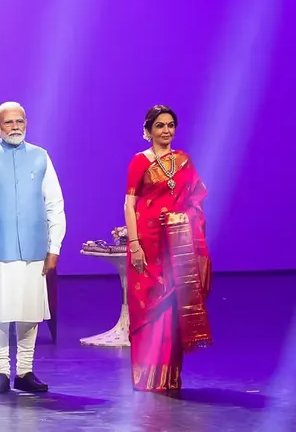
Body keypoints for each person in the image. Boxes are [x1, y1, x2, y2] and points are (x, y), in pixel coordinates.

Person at [0, 101, 66, 394]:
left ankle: (25, 371)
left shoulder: (40, 157)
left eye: (19, 121)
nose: (15, 127)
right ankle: (2, 371)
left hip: (33, 248)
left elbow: (55, 205)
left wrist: (54, 246)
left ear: (26, 123)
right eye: (8, 123)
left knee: (29, 311)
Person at [123, 105, 212, 394]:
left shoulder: (183, 161)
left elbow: (195, 201)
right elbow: (129, 205)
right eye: (160, 126)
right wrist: (134, 245)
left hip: (177, 245)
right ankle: (147, 376)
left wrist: (183, 218)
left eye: (170, 125)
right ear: (148, 131)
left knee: (173, 311)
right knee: (149, 307)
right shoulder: (140, 162)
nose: (166, 131)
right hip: (148, 245)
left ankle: (169, 377)